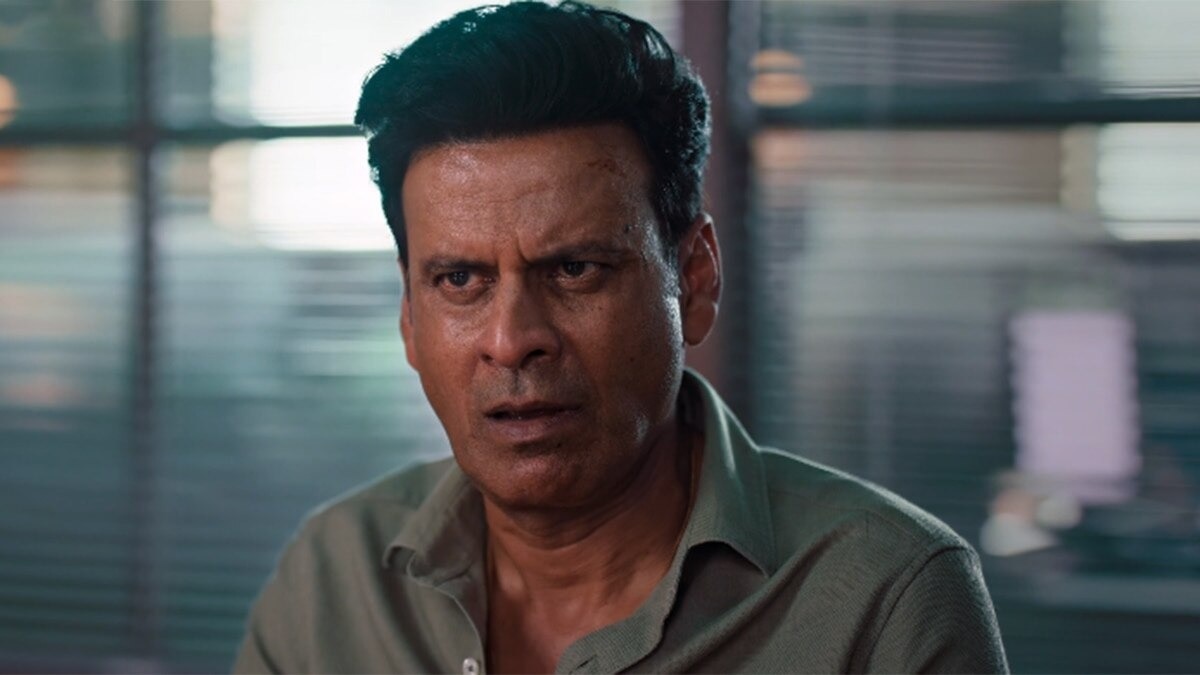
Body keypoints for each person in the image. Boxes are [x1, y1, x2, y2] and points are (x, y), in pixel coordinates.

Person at [233, 2, 1009, 673]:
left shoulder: (884, 600)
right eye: (460, 279)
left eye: (574, 268)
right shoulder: (332, 583)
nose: (511, 339)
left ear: (694, 279)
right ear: (408, 314)